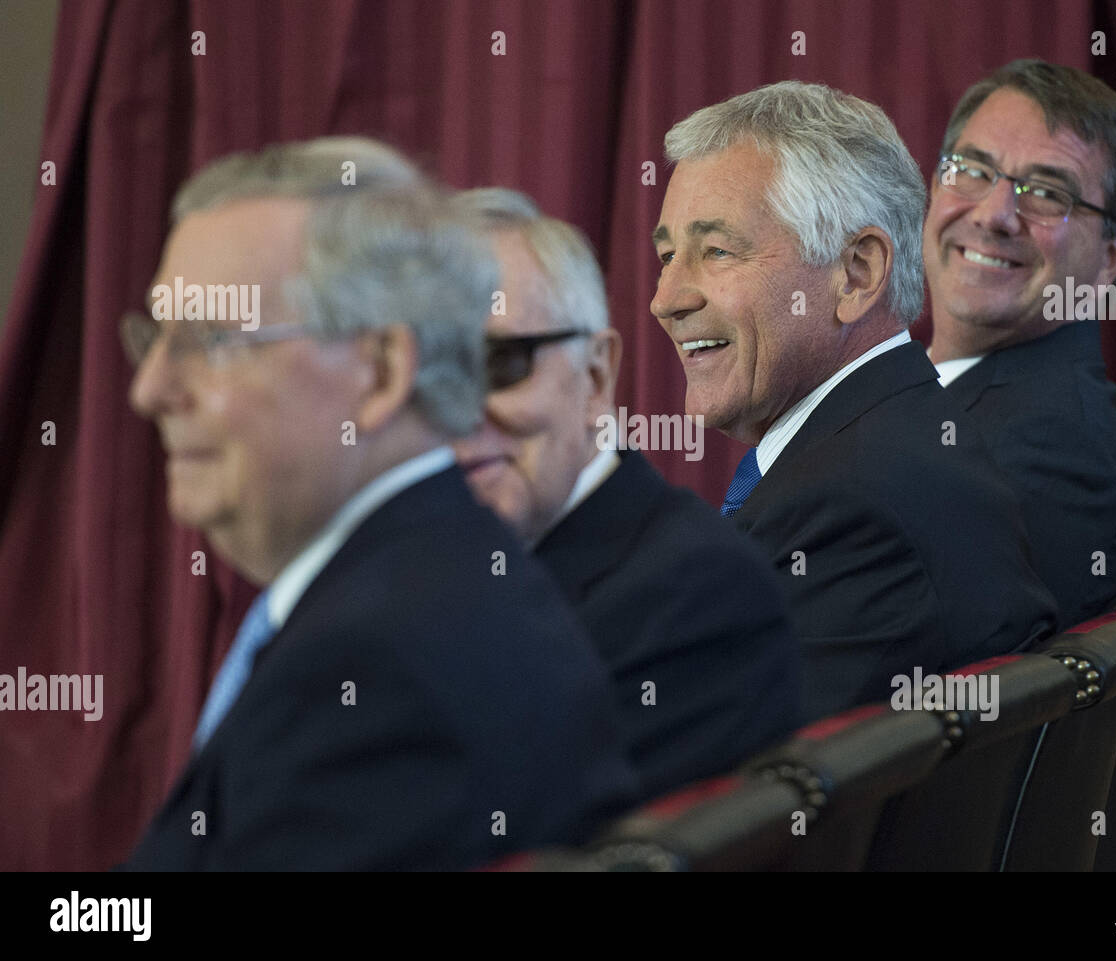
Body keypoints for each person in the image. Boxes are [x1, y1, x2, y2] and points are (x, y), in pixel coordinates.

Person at [120, 138, 637, 870]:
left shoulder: (370, 667)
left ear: (382, 370)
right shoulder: (434, 583)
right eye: (155, 338)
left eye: (212, 339)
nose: (150, 390)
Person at [651, 82, 1057, 720]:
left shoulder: (849, 509)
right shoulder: (899, 435)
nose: (666, 298)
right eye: (668, 255)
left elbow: (738, 793)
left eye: (716, 252)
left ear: (857, 273)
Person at [449, 188, 800, 797]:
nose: (458, 416)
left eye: (499, 363)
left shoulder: (695, 601)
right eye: (428, 379)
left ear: (595, 377)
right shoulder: (416, 562)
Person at [925, 59, 1116, 628]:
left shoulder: (1045, 456)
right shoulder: (918, 390)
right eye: (972, 170)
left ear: (1112, 256)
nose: (994, 214)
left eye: (1047, 192)